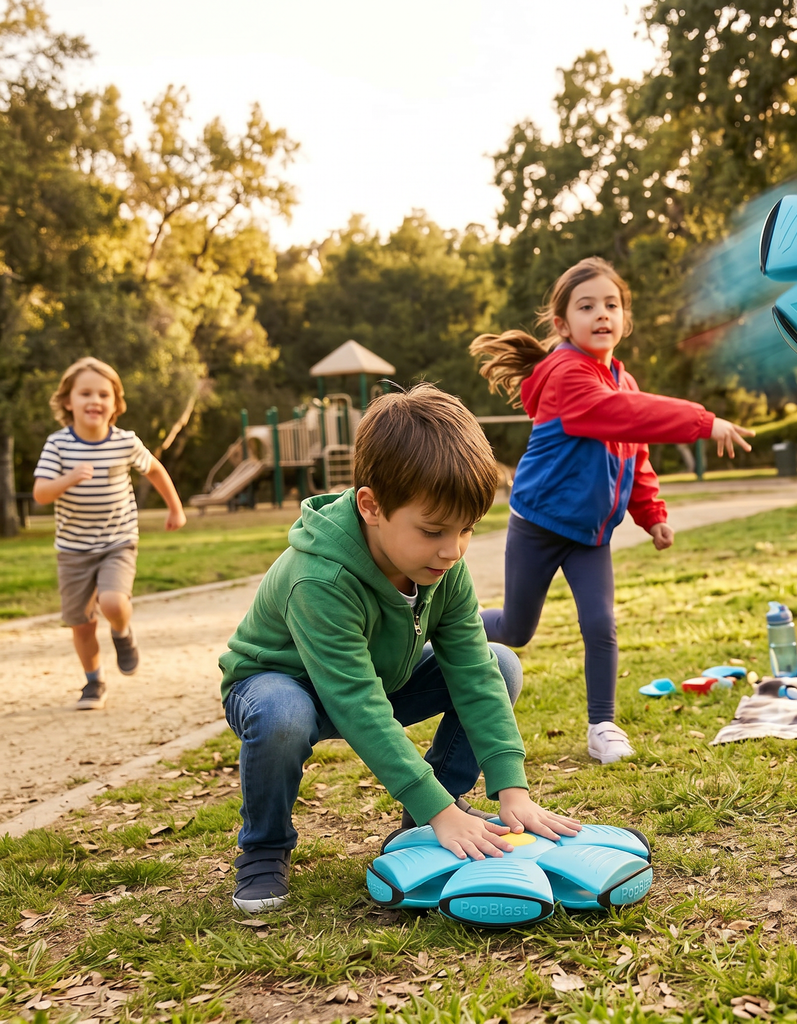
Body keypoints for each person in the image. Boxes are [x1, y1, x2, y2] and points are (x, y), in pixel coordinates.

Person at [219, 384, 581, 912]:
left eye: (466, 530)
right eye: (434, 530)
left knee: (501, 665)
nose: (452, 550)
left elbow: (474, 672)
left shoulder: (441, 566)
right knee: (282, 715)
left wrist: (512, 789)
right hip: (282, 686)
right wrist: (431, 799)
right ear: (371, 506)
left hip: (381, 680)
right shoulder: (319, 579)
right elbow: (356, 704)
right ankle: (264, 847)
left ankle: (428, 820)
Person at [469, 257, 755, 765]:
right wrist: (702, 421)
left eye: (611, 305)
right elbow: (621, 416)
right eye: (587, 306)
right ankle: (451, 624)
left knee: (601, 624)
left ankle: (603, 725)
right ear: (562, 324)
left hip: (590, 535)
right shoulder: (565, 374)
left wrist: (653, 514)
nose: (602, 314)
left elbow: (636, 449)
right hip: (537, 525)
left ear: (624, 318)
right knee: (516, 630)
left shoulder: (623, 380)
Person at [32, 357, 187, 711]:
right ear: (67, 401)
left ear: (116, 404)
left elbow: (155, 470)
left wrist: (175, 508)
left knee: (113, 603)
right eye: (85, 392)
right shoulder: (57, 445)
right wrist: (68, 478)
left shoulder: (124, 442)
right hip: (72, 549)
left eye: (104, 394)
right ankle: (94, 682)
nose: (95, 400)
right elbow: (41, 493)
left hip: (118, 540)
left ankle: (121, 630)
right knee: (81, 624)